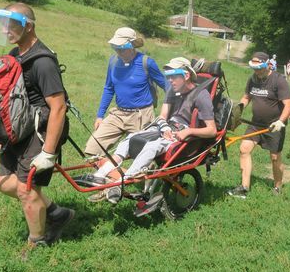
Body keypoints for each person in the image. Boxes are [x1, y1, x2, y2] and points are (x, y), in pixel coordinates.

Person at [78, 57, 216, 214]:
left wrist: (189, 131)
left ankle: (120, 183)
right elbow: (163, 116)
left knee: (151, 147)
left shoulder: (201, 95)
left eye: (173, 76)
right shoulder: (173, 90)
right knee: (129, 140)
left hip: (183, 133)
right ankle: (99, 175)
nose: (170, 80)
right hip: (166, 128)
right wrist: (164, 127)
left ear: (185, 76)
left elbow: (211, 130)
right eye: (168, 76)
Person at [0, 3, 73, 247]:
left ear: (28, 26)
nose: (6, 31)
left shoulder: (43, 62)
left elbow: (58, 107)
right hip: (22, 129)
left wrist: (48, 152)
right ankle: (57, 214)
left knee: (27, 189)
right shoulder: (17, 55)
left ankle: (37, 242)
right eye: (4, 26)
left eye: (12, 26)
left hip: (43, 129)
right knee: (4, 184)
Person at [84, 27, 168, 158]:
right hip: (119, 114)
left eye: (122, 47)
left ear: (132, 45)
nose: (118, 51)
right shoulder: (113, 62)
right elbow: (108, 88)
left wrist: (170, 111)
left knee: (142, 155)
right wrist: (100, 116)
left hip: (142, 115)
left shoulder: (147, 62)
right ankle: (108, 176)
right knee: (93, 148)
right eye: (115, 47)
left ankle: (144, 177)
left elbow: (166, 85)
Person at [228, 52, 290, 198]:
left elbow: (288, 104)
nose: (256, 72)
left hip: (274, 125)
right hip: (255, 123)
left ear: (267, 65)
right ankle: (244, 187)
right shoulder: (253, 79)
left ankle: (277, 186)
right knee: (244, 149)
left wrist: (281, 121)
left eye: (259, 68)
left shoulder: (278, 80)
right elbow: (246, 97)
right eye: (254, 68)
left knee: (275, 157)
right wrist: (238, 110)